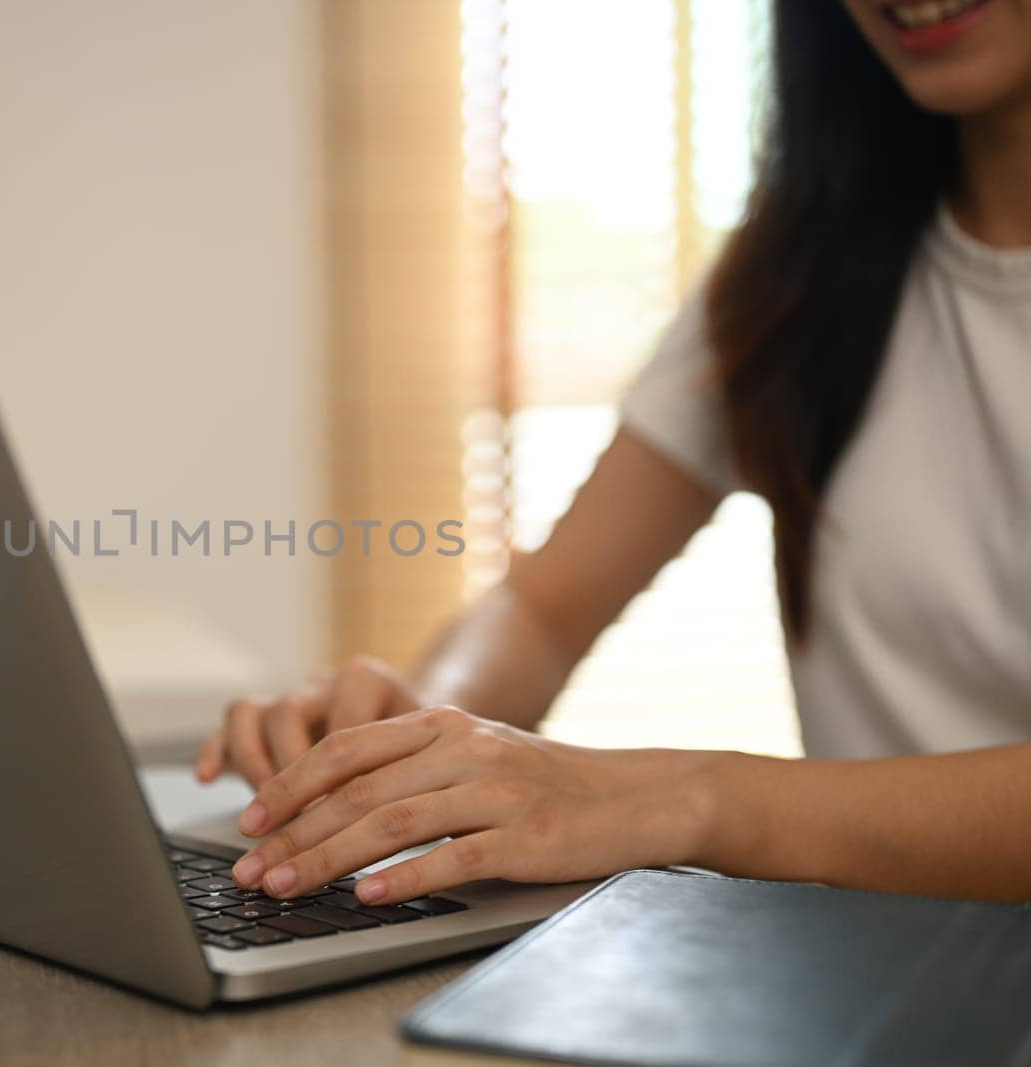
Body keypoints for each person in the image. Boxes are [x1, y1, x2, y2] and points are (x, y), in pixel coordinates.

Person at [197, 0, 1031, 906]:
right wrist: (417, 737)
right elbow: (541, 609)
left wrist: (689, 798)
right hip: (875, 986)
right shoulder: (800, 266)